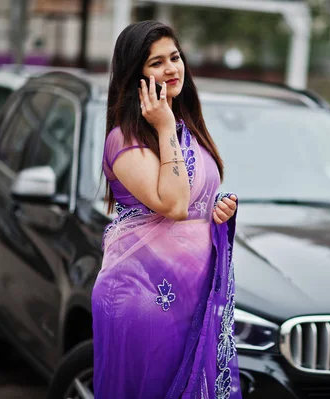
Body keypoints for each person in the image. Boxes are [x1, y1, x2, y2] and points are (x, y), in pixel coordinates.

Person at [91, 21, 241, 399]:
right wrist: (164, 126)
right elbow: (174, 204)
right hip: (145, 302)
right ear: (135, 75)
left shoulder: (186, 127)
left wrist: (218, 212)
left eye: (175, 57)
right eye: (157, 63)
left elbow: (195, 203)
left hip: (191, 300)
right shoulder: (124, 139)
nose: (172, 68)